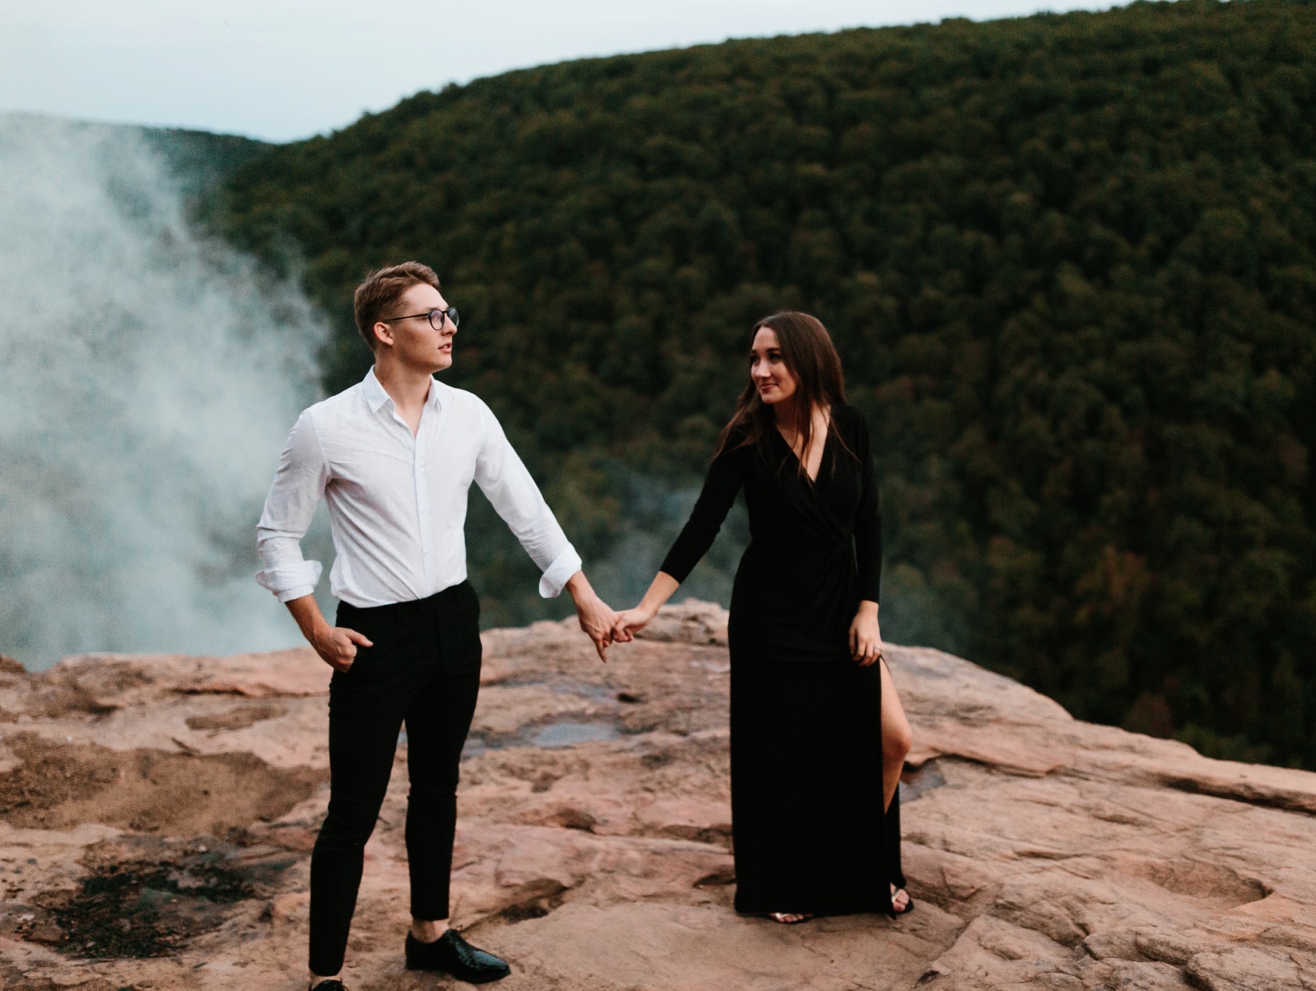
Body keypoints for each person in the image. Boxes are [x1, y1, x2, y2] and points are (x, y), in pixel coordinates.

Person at [255, 262, 618, 990]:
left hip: (455, 623)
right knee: (352, 812)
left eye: (450, 313)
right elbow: (275, 535)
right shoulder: (325, 427)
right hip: (373, 636)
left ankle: (430, 935)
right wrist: (316, 630)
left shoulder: (470, 415)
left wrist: (583, 593)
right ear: (385, 333)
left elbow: (526, 507)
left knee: (438, 786)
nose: (450, 326)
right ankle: (325, 976)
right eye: (432, 316)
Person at [612, 311, 913, 923]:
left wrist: (869, 609)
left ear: (808, 358)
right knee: (785, 757)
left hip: (838, 610)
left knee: (891, 739)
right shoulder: (747, 437)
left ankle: (864, 866)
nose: (761, 370)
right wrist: (648, 606)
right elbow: (703, 525)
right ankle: (789, 882)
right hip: (769, 617)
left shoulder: (851, 426)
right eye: (754, 358)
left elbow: (870, 521)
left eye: (774, 357)